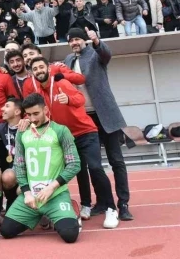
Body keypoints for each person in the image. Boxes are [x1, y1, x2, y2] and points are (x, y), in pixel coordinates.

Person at [23, 57, 119, 228]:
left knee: (95, 168)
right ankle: (86, 204)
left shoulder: (61, 82)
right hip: (67, 137)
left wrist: (68, 99)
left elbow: (80, 99)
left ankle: (111, 208)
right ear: (32, 73)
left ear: (48, 68)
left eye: (41, 67)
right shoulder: (38, 93)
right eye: (35, 69)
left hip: (85, 132)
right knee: (78, 171)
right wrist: (25, 120)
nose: (39, 71)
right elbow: (34, 113)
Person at [63, 28, 133, 221]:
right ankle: (102, 202)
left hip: (105, 115)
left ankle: (123, 204)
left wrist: (96, 41)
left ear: (84, 40)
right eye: (71, 40)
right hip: (83, 119)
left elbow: (106, 54)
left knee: (116, 160)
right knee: (93, 164)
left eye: (77, 39)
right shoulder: (67, 60)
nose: (74, 42)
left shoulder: (95, 53)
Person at [0, 93, 82, 244]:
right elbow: (19, 165)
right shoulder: (22, 132)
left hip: (55, 194)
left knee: (70, 235)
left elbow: (74, 164)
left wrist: (52, 187)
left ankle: (70, 209)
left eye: (36, 113)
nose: (32, 119)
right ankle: (40, 214)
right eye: (29, 114)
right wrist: (27, 193)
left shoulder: (61, 130)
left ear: (45, 109)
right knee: (6, 231)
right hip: (32, 197)